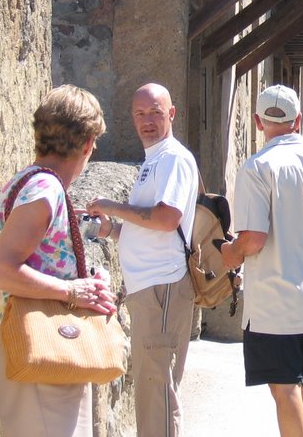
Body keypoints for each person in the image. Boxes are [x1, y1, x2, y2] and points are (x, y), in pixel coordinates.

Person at [0, 85, 117, 437]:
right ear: (88, 143)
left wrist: (86, 282)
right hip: (41, 359)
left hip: (41, 355)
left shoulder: (29, 183)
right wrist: (73, 290)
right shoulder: (45, 191)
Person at [221, 84, 303, 437]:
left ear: (258, 122)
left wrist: (228, 252)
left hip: (274, 305)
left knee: (285, 389)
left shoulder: (258, 168)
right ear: (300, 121)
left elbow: (253, 240)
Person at [87, 83, 198, 437]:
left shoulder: (173, 159)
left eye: (155, 112)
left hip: (161, 288)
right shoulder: (155, 161)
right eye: (139, 113)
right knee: (153, 392)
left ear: (172, 114)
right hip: (150, 289)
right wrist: (112, 230)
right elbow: (150, 226)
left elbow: (167, 219)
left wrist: (112, 206)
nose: (147, 120)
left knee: (157, 394)